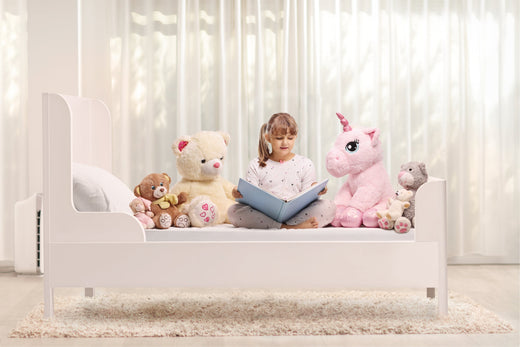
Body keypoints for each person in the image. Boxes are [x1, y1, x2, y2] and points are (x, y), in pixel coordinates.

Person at [227, 112, 336, 229]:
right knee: (233, 211)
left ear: (296, 137)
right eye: (279, 138)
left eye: (290, 138)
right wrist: (238, 193)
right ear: (268, 138)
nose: (285, 143)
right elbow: (251, 197)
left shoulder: (305, 163)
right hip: (265, 214)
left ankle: (283, 225)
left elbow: (306, 198)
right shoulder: (256, 164)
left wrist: (316, 190)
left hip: (296, 213)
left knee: (329, 206)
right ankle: (289, 227)